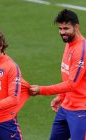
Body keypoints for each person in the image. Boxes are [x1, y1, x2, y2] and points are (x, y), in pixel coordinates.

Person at [29, 9, 86, 140]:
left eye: (66, 28)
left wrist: (41, 90)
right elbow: (68, 75)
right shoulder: (69, 43)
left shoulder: (81, 50)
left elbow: (72, 83)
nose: (62, 32)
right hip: (66, 107)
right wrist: (61, 96)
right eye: (60, 28)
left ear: (76, 27)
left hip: (81, 111)